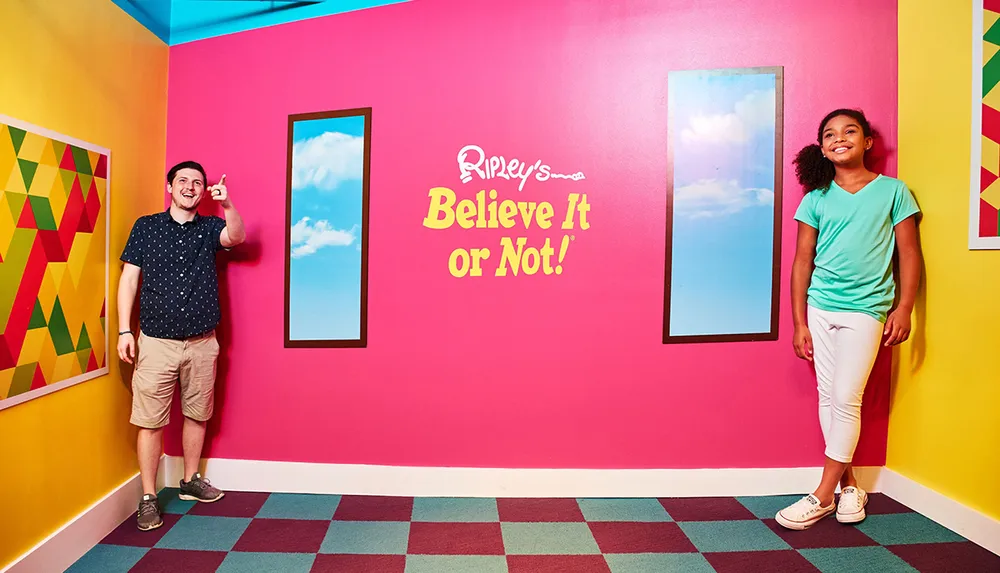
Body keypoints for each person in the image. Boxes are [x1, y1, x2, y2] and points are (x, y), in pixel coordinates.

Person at [776, 109, 922, 530]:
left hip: (867, 308)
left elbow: (908, 253)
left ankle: (821, 495)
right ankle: (850, 486)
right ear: (822, 147)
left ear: (868, 141)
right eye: (830, 134)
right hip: (820, 307)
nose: (840, 138)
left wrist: (905, 306)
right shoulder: (816, 198)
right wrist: (799, 322)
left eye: (850, 131)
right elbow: (802, 261)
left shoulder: (893, 191)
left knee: (846, 396)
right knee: (829, 397)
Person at [117, 160, 246, 531]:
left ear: (204, 191)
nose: (190, 187)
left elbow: (236, 237)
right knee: (150, 421)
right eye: (183, 181)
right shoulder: (146, 227)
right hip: (157, 342)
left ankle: (190, 480)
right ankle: (148, 497)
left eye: (197, 183)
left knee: (197, 413)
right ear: (169, 186)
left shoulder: (209, 228)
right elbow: (128, 280)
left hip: (203, 342)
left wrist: (228, 205)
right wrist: (125, 331)